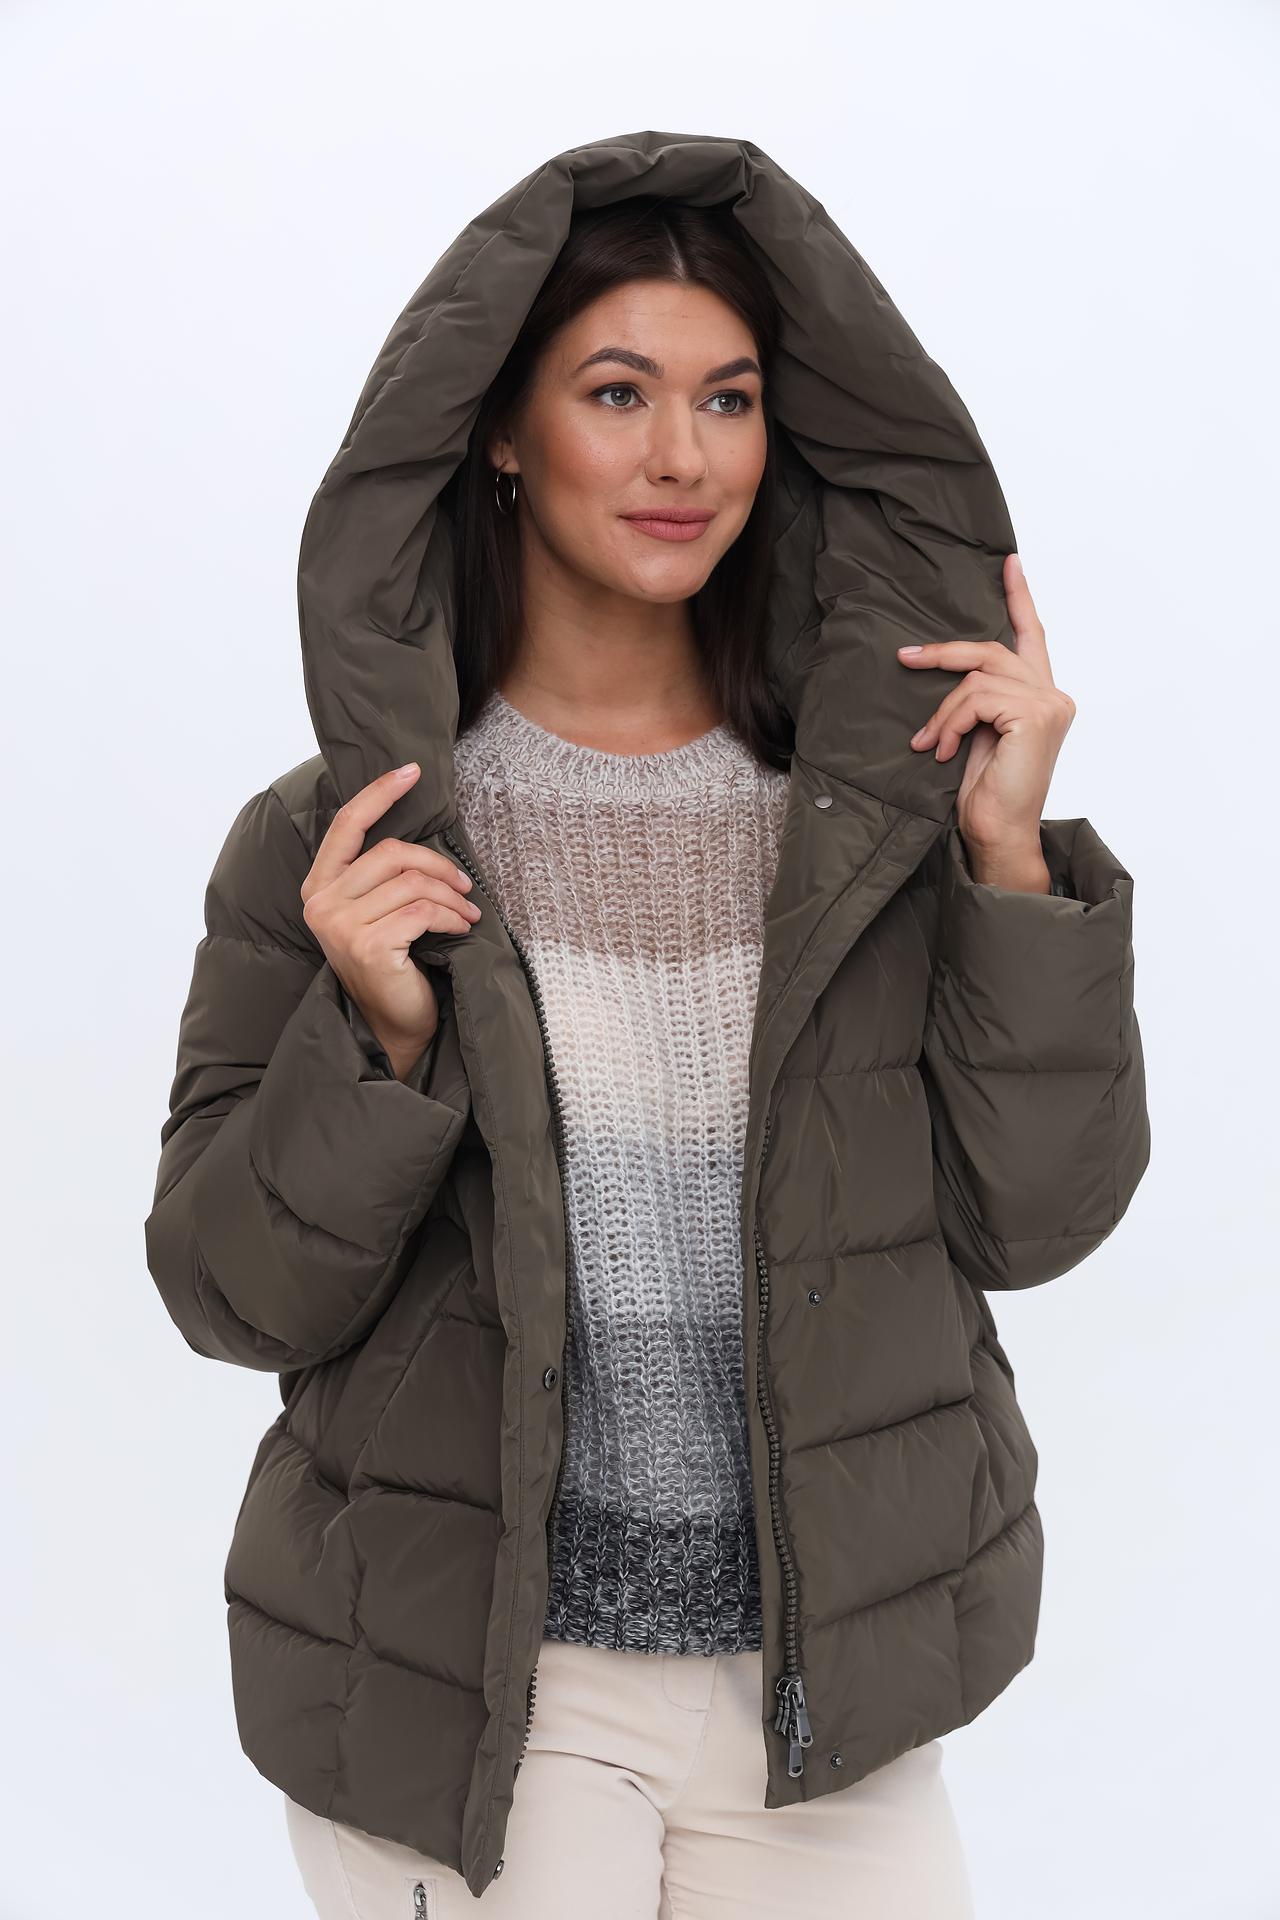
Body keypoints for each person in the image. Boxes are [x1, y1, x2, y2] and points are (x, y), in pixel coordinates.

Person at [144, 130, 1150, 1919]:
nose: (686, 456)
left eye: (730, 398)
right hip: (482, 1703)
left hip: (820, 1707)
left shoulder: (880, 827)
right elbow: (232, 1297)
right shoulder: (340, 844)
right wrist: (376, 1046)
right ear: (501, 433)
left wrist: (1009, 870)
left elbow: (1035, 1223)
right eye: (619, 393)